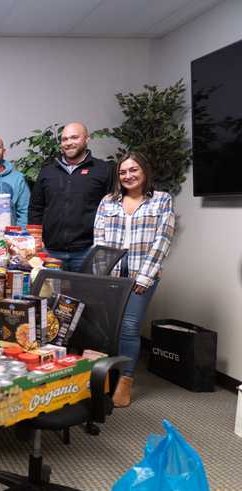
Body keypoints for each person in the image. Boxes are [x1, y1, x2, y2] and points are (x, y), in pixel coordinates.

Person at [93, 152, 175, 408]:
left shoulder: (161, 200)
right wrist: (101, 276)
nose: (128, 176)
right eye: (123, 172)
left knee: (129, 326)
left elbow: (163, 240)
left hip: (142, 274)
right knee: (108, 328)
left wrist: (145, 276)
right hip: (112, 275)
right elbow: (99, 240)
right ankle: (107, 375)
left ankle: (125, 381)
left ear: (144, 171)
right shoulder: (108, 201)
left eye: (133, 170)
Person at [29, 122, 113, 272]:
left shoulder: (103, 170)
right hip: (51, 252)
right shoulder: (47, 172)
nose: (68, 143)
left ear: (86, 139)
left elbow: (112, 210)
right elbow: (36, 208)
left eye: (74, 137)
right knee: (48, 288)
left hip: (87, 251)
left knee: (84, 288)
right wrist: (36, 241)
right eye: (64, 139)